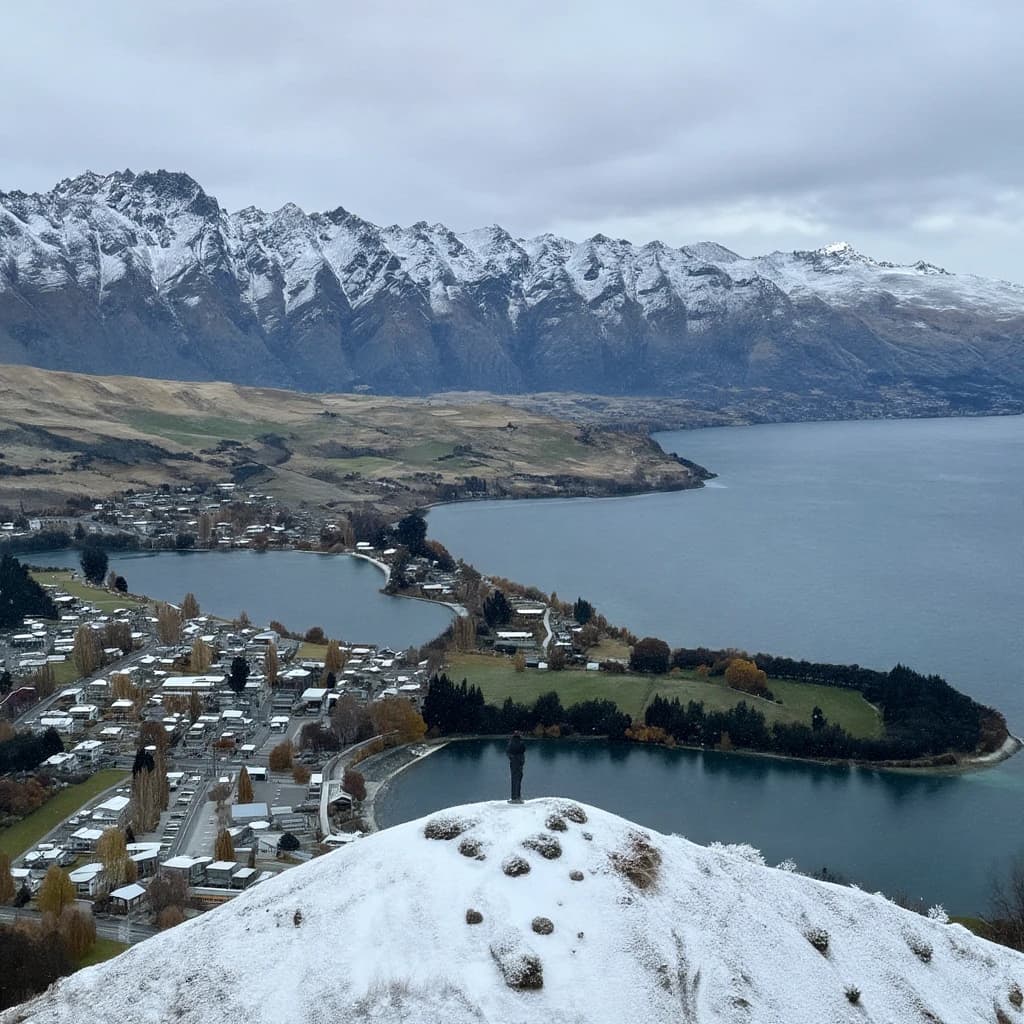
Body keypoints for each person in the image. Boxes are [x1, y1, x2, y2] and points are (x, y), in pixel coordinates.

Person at [507, 730, 526, 803]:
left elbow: (508, 752)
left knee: (514, 780)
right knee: (518, 780)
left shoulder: (511, 743)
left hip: (514, 763)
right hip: (519, 763)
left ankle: (514, 797)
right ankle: (517, 797)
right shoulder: (521, 743)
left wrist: (512, 758)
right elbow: (523, 750)